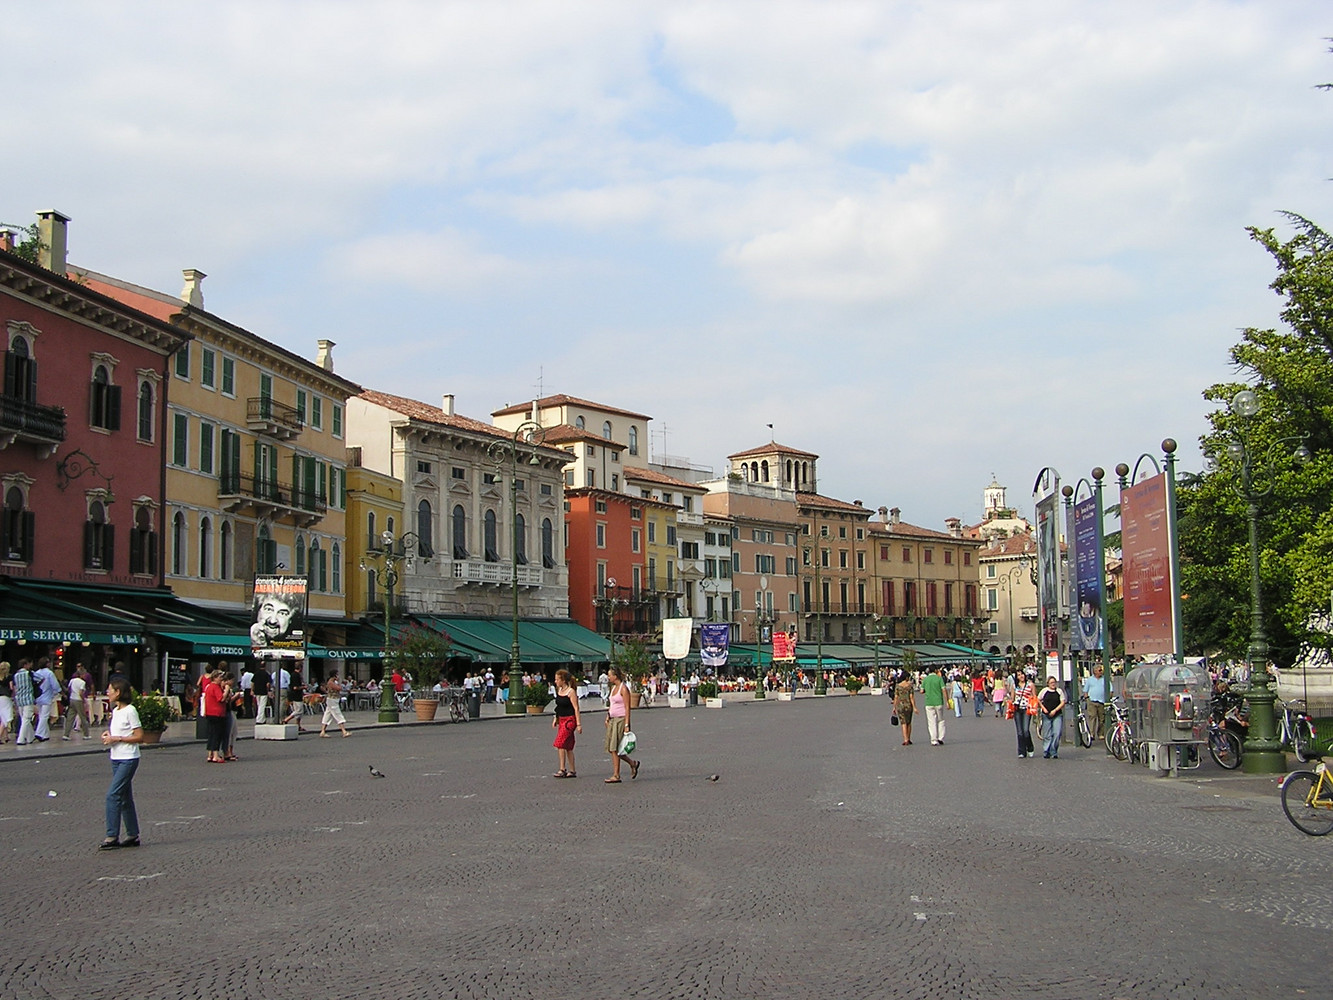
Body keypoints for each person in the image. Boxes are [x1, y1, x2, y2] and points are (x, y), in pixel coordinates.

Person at [100, 676, 143, 850]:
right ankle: (132, 834)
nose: (107, 692)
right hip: (116, 757)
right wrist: (109, 736)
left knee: (113, 795)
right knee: (124, 796)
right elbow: (119, 731)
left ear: (118, 692)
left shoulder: (130, 710)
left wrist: (117, 738)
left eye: (110, 689)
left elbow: (139, 736)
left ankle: (112, 836)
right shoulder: (116, 711)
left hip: (128, 757)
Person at [603, 665, 640, 783]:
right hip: (612, 719)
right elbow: (612, 704)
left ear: (615, 676)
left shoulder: (623, 689)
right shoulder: (613, 688)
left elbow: (627, 707)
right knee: (612, 748)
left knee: (615, 748)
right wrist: (608, 716)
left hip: (620, 720)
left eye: (610, 675)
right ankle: (632, 763)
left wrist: (627, 724)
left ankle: (616, 775)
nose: (608, 677)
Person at [551, 668, 582, 777]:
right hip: (562, 719)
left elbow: (576, 708)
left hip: (569, 720)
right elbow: (558, 707)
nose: (555, 681)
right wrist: (556, 718)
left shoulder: (571, 692)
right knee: (568, 746)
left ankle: (562, 769)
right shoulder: (559, 690)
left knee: (560, 743)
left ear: (563, 680)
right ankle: (572, 770)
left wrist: (578, 724)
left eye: (557, 679)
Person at [202, 670, 228, 763]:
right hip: (217, 713)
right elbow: (221, 698)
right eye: (220, 677)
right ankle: (216, 756)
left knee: (211, 734)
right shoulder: (215, 687)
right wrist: (226, 690)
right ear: (215, 678)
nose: (221, 679)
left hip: (210, 713)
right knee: (217, 734)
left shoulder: (208, 686)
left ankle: (210, 754)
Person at [1038, 675, 1066, 759]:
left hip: (1057, 714)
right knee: (1047, 735)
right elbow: (1038, 699)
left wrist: (1055, 710)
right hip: (1046, 715)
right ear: (1048, 684)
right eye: (1051, 683)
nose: (1053, 684)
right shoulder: (1044, 691)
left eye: (1054, 682)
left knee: (1057, 733)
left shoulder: (1059, 691)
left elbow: (1062, 702)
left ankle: (1053, 751)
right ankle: (1046, 750)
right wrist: (1043, 708)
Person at [1010, 669, 1036, 758]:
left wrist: (1034, 706)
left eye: (1022, 674)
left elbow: (1034, 697)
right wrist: (1009, 703)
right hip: (1017, 709)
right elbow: (1012, 698)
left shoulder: (1030, 685)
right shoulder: (1014, 686)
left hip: (1026, 709)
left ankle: (1030, 747)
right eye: (1018, 675)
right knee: (1020, 732)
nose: (1021, 676)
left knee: (1025, 730)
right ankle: (1021, 751)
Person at [33, 658, 59, 742]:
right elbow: (55, 685)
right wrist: (57, 692)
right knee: (44, 716)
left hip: (38, 697)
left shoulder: (36, 673)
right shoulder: (49, 673)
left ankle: (46, 734)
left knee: (41, 715)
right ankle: (39, 733)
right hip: (47, 697)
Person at [63, 667, 91, 740]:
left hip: (72, 699)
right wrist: (84, 700)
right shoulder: (82, 682)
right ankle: (86, 734)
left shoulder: (72, 680)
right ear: (82, 674)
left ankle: (66, 734)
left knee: (70, 717)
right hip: (78, 700)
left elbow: (68, 689)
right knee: (83, 717)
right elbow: (81, 693)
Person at [922, 664, 947, 746]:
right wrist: (947, 701)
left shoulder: (926, 679)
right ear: (936, 670)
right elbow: (944, 689)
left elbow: (921, 691)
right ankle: (941, 737)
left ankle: (934, 739)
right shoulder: (939, 678)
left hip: (929, 702)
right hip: (938, 701)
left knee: (931, 722)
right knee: (941, 720)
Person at [13, 658, 37, 745]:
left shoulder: (16, 675)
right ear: (25, 665)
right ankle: (21, 739)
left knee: (24, 718)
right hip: (28, 698)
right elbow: (40, 678)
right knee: (26, 719)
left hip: (19, 699)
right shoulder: (29, 673)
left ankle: (30, 737)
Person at [1083, 664, 1107, 740]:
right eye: (1100, 670)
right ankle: (1091, 734)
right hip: (1092, 701)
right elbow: (1085, 690)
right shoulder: (1090, 680)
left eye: (1101, 670)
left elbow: (1110, 689)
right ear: (1095, 671)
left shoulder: (1104, 679)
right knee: (1092, 717)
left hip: (1102, 701)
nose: (1101, 672)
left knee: (1102, 719)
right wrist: (1087, 698)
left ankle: (1100, 733)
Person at [894, 671, 916, 746]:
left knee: (903, 723)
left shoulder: (898, 686)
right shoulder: (909, 686)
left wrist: (894, 707)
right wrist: (914, 707)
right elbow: (911, 697)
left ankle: (905, 739)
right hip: (908, 705)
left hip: (900, 706)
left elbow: (896, 697)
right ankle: (909, 738)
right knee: (909, 722)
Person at [0, 661, 13, 743]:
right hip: (6, 698)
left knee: (2, 716)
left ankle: (5, 736)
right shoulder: (9, 677)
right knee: (6, 718)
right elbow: (11, 687)